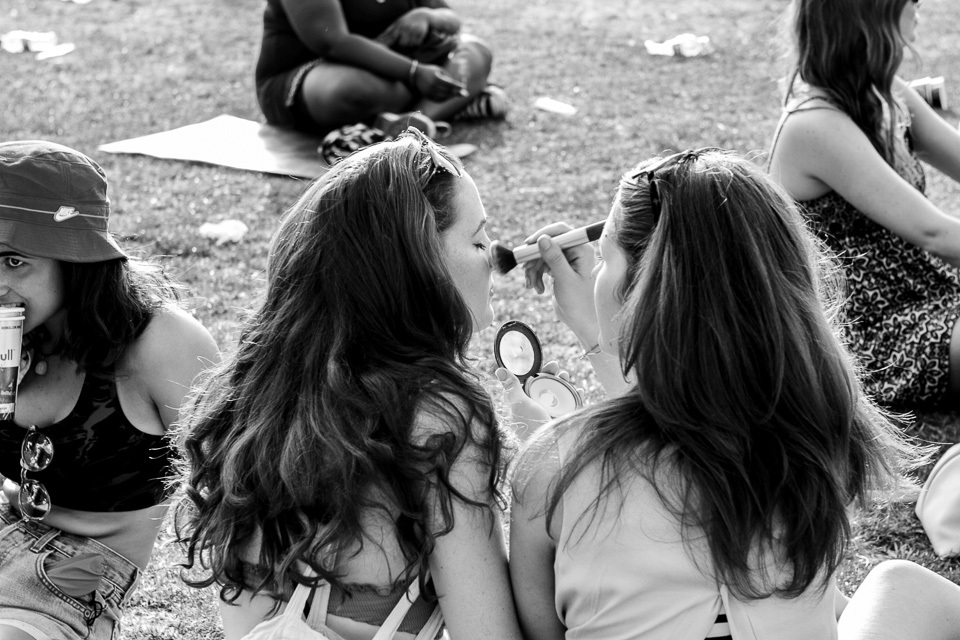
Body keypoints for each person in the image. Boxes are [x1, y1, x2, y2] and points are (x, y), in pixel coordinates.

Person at [507, 149, 960, 640]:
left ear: (642, 291)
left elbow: (541, 631)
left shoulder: (555, 466)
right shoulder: (810, 434)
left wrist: (553, 448)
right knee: (900, 587)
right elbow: (693, 437)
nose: (597, 275)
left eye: (604, 258)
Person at [174, 130, 525, 640]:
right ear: (418, 266)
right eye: (476, 241)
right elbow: (489, 634)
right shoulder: (437, 417)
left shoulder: (252, 396)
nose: (493, 258)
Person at [0, 141, 219, 640]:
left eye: (13, 261)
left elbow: (238, 480)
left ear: (74, 259)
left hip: (78, 572)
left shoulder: (160, 343)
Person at [766, 0, 960, 409]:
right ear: (870, 14)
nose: (919, 3)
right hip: (875, 335)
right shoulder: (814, 125)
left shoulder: (886, 94)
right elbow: (936, 234)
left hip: (933, 295)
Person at [255, 0, 505, 139]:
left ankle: (413, 125)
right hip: (316, 74)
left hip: (402, 70)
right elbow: (332, 42)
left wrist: (426, 15)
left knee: (475, 52)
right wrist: (414, 72)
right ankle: (452, 105)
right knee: (349, 89)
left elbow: (451, 19)